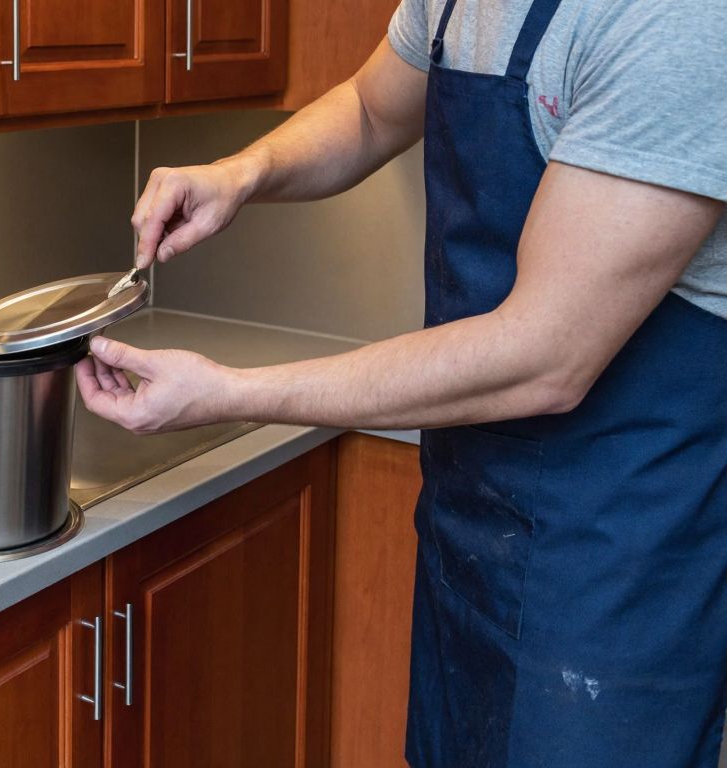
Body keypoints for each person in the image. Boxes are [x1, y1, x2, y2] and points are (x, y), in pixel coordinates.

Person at [76, 0, 727, 765]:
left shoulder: (677, 22)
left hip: (622, 558)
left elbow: (545, 357)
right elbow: (367, 110)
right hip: (473, 518)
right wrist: (236, 173)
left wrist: (232, 394)